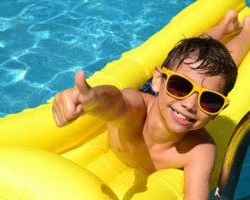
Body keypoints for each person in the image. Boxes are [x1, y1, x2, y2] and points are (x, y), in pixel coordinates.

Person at [52, 10, 250, 200]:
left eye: (210, 100)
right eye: (181, 86)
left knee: (213, 70)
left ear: (218, 111)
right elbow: (116, 102)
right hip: (151, 95)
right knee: (194, 59)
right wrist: (93, 100)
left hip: (168, 97)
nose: (190, 104)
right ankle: (225, 26)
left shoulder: (199, 149)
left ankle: (246, 31)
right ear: (159, 80)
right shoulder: (136, 109)